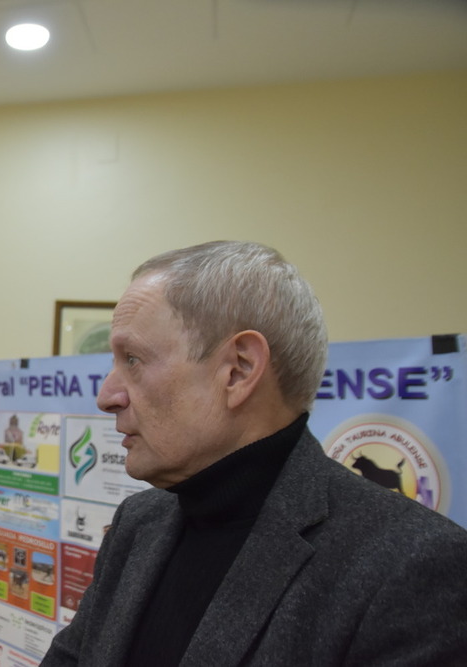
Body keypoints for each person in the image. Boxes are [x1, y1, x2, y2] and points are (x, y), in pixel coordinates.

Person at [40, 241, 467, 666]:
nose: (107, 396)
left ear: (239, 370)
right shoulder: (138, 524)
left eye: (132, 359)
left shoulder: (411, 566)